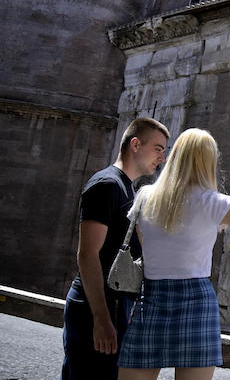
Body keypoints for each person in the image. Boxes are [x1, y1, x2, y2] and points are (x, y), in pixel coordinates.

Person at [118, 128, 230, 379]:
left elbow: (145, 251)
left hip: (151, 297)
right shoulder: (214, 202)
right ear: (209, 161)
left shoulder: (145, 196)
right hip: (197, 301)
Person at [62, 118, 170, 380]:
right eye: (158, 148)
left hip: (113, 306)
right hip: (95, 307)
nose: (162, 157)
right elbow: (87, 255)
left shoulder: (127, 189)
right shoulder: (107, 185)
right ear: (135, 144)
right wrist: (101, 318)